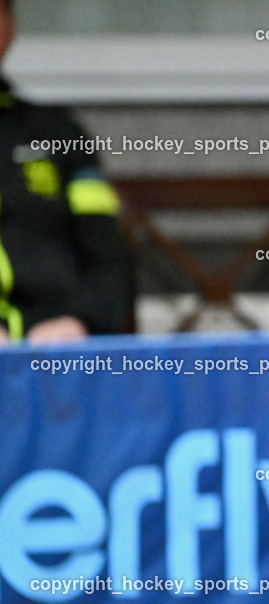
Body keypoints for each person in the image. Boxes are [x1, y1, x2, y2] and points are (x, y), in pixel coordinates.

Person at [0, 0, 133, 345]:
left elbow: (109, 257)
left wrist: (81, 321)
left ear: (11, 26)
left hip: (57, 353)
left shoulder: (59, 134)